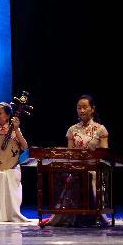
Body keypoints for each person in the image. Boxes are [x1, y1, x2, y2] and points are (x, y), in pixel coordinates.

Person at [45, 94, 109, 227]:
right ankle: (72, 214)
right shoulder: (72, 130)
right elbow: (70, 154)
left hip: (94, 168)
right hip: (76, 168)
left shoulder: (100, 129)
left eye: (85, 107)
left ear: (92, 109)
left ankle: (94, 214)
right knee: (69, 177)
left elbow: (104, 153)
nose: (82, 111)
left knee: (89, 176)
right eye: (79, 108)